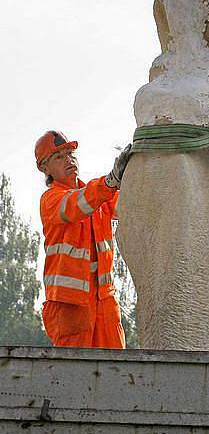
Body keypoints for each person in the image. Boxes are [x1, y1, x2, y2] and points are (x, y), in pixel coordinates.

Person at [35, 130, 131, 349]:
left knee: (117, 372)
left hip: (105, 301)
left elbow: (132, 205)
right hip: (70, 305)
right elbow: (78, 204)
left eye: (70, 154)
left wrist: (136, 174)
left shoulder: (98, 196)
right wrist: (110, 182)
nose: (68, 160)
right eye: (59, 157)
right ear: (44, 168)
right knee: (74, 376)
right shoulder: (51, 200)